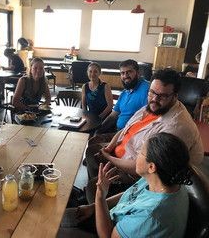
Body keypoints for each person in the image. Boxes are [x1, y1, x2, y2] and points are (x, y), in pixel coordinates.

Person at [85, 69, 203, 201]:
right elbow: (127, 129)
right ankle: (98, 187)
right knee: (92, 151)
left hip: (139, 173)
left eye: (162, 96)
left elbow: (144, 168)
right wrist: (110, 147)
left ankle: (98, 204)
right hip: (127, 150)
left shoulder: (175, 128)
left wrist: (109, 157)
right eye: (152, 92)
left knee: (92, 187)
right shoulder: (155, 106)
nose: (154, 99)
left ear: (175, 96)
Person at [59, 133, 192, 238]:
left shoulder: (150, 217)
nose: (136, 156)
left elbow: (106, 235)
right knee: (60, 218)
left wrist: (100, 195)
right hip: (116, 220)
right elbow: (131, 194)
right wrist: (94, 207)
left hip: (107, 231)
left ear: (151, 167)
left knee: (53, 228)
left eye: (140, 152)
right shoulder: (163, 179)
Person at [95, 59, 150, 134]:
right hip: (117, 132)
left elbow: (149, 119)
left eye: (129, 72)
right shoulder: (124, 93)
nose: (125, 76)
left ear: (138, 73)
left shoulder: (147, 89)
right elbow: (113, 116)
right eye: (122, 73)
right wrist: (98, 131)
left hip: (132, 135)